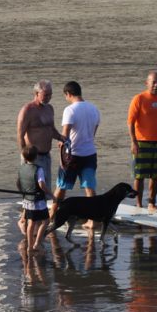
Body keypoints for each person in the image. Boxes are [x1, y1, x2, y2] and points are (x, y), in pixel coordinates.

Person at [16, 80, 66, 232]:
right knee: (33, 193)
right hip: (32, 157)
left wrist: (62, 138)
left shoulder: (49, 109)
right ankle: (26, 221)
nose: (48, 97)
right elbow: (20, 133)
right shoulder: (27, 110)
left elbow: (51, 129)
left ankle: (30, 222)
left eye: (50, 94)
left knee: (43, 192)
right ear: (36, 94)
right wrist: (24, 156)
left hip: (46, 155)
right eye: (45, 95)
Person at [50, 81, 100, 226]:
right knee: (89, 187)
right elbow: (93, 134)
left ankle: (53, 213)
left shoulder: (70, 110)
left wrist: (60, 144)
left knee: (62, 186)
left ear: (68, 94)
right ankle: (93, 220)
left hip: (72, 156)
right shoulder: (94, 109)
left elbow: (65, 136)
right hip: (90, 153)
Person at [127, 71, 157, 214]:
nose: (156, 85)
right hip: (141, 143)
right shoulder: (139, 99)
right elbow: (130, 122)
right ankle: (139, 204)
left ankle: (152, 203)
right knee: (139, 176)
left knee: (156, 176)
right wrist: (133, 142)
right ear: (147, 83)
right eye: (153, 82)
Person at [17, 145, 52, 252]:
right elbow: (41, 185)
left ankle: (29, 246)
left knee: (31, 222)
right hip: (38, 201)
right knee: (46, 221)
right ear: (36, 156)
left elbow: (18, 183)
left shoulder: (22, 168)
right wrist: (51, 194)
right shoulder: (38, 169)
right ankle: (37, 243)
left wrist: (23, 193)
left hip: (27, 201)